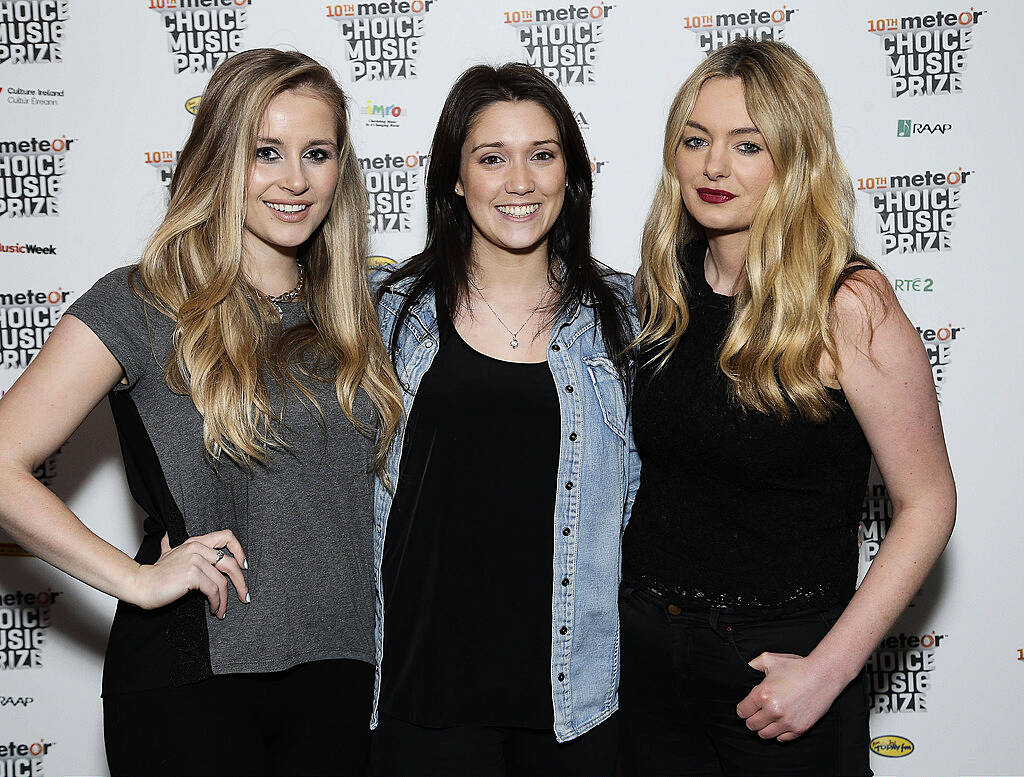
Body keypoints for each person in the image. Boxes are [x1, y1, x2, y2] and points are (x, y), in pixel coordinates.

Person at [0, 49, 402, 777]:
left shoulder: (361, 319)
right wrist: (136, 577)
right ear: (219, 157)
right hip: (192, 683)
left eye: (316, 153)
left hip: (344, 678)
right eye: (265, 152)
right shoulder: (143, 302)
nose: (294, 180)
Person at [619, 39, 956, 777]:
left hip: (781, 665)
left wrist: (829, 670)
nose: (714, 166)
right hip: (645, 658)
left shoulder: (848, 303)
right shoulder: (663, 286)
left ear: (794, 158)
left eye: (748, 144)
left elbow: (927, 502)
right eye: (696, 140)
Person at [368, 63, 639, 777]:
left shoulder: (627, 319)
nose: (519, 181)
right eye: (492, 158)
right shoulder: (387, 312)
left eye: (541, 155)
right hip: (421, 699)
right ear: (456, 178)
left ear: (570, 172)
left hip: (573, 708)